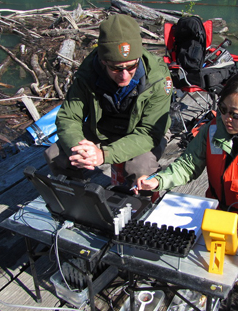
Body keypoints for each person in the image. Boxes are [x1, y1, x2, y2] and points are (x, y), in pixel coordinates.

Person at [135, 71, 238, 288]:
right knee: (208, 271)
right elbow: (188, 165)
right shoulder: (213, 129)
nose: (226, 118)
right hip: (220, 216)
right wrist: (158, 180)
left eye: (235, 114)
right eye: (223, 109)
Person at [44, 14, 173, 186]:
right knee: (56, 155)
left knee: (140, 168)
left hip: (143, 132)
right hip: (102, 129)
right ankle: (79, 196)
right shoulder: (88, 73)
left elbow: (149, 132)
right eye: (115, 68)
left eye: (131, 66)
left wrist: (104, 155)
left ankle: (141, 205)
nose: (124, 75)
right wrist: (81, 149)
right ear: (103, 60)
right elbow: (69, 117)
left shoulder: (158, 79)